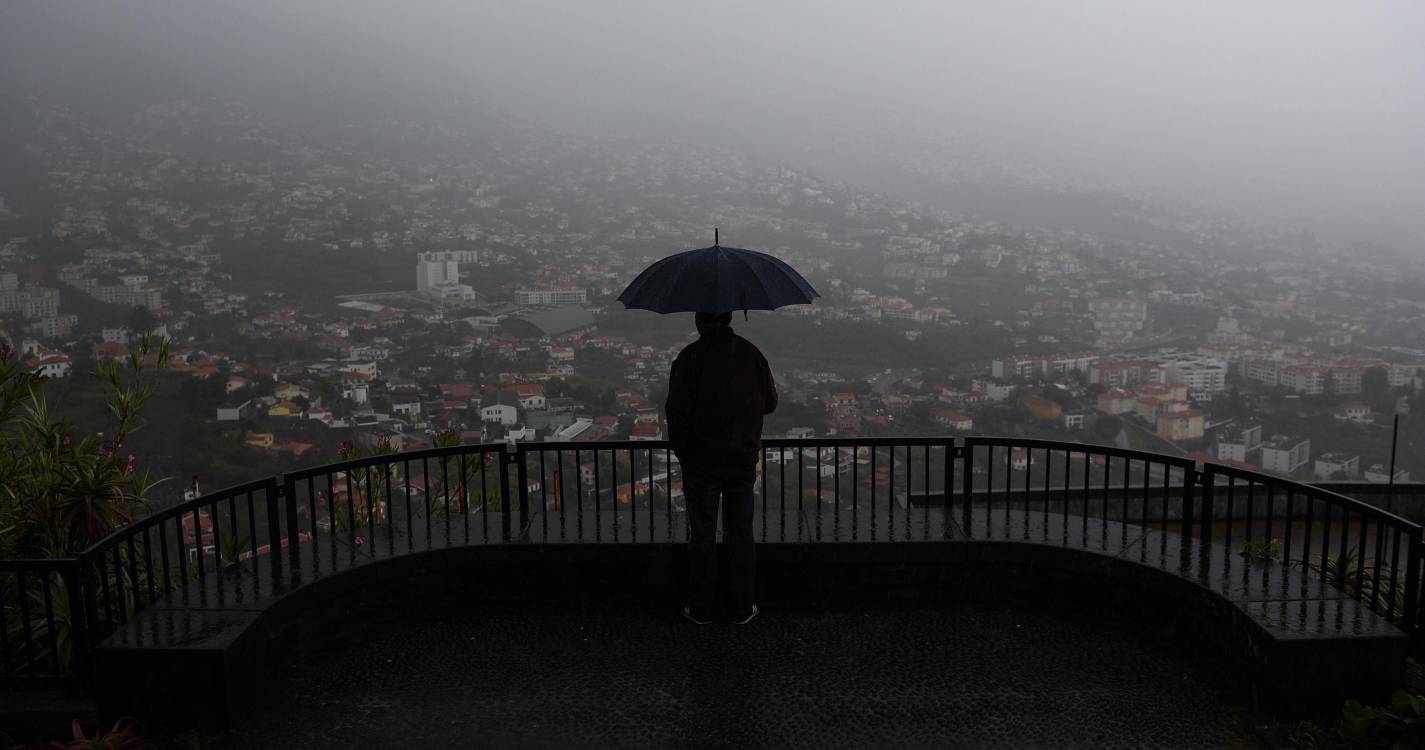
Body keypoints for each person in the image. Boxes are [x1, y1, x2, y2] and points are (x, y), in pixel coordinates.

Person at [665, 311, 778, 625]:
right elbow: (770, 403)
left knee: (702, 533)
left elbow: (675, 412)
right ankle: (742, 604)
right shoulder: (751, 354)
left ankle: (701, 605)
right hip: (742, 459)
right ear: (729, 318)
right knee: (740, 531)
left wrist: (685, 453)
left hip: (701, 462)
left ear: (699, 322)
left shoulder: (689, 359)